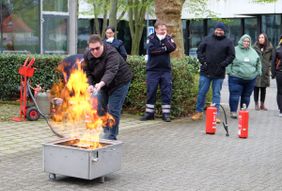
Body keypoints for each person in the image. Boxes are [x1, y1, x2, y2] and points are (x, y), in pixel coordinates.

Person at [83, 34, 132, 140]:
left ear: (102, 45)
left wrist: (101, 83)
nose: (95, 51)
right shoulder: (87, 54)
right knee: (100, 108)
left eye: (97, 48)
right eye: (92, 49)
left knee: (113, 110)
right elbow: (87, 72)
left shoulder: (112, 53)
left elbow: (111, 71)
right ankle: (106, 131)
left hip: (119, 82)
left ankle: (111, 137)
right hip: (101, 85)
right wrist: (90, 85)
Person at [191, 22, 235, 123]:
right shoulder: (207, 39)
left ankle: (215, 115)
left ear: (224, 31)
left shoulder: (228, 42)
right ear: (214, 30)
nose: (219, 31)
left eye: (221, 30)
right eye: (217, 29)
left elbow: (231, 56)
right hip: (205, 71)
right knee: (202, 92)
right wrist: (203, 62)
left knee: (216, 94)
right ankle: (199, 112)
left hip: (219, 73)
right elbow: (199, 51)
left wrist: (223, 64)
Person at [140, 20, 176, 122]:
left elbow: (173, 47)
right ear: (156, 29)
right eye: (161, 29)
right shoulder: (150, 38)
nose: (163, 31)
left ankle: (166, 114)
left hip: (165, 70)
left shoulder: (168, 38)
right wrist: (165, 49)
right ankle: (149, 114)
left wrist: (164, 43)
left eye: (164, 29)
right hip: (152, 70)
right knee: (151, 91)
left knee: (166, 92)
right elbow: (152, 51)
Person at [226, 34, 261, 118]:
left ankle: (243, 111)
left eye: (248, 41)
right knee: (234, 95)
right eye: (244, 41)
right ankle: (233, 112)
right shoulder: (234, 50)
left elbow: (258, 62)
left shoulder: (253, 51)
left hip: (250, 79)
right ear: (241, 41)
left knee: (246, 96)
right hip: (236, 78)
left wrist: (258, 72)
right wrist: (230, 72)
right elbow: (229, 61)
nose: (246, 43)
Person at [253, 33, 274, 111]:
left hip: (265, 71)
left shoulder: (269, 48)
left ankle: (262, 104)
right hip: (256, 71)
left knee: (263, 89)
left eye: (262, 37)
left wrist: (269, 67)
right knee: (256, 87)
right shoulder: (254, 47)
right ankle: (256, 104)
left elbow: (272, 59)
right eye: (259, 37)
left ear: (265, 39)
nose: (260, 39)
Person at [271, 35, 282, 117]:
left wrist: (273, 73)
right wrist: (273, 73)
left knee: (280, 92)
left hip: (279, 73)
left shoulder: (277, 49)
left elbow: (273, 62)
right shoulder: (277, 49)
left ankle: (281, 110)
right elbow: (273, 61)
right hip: (279, 73)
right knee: (280, 92)